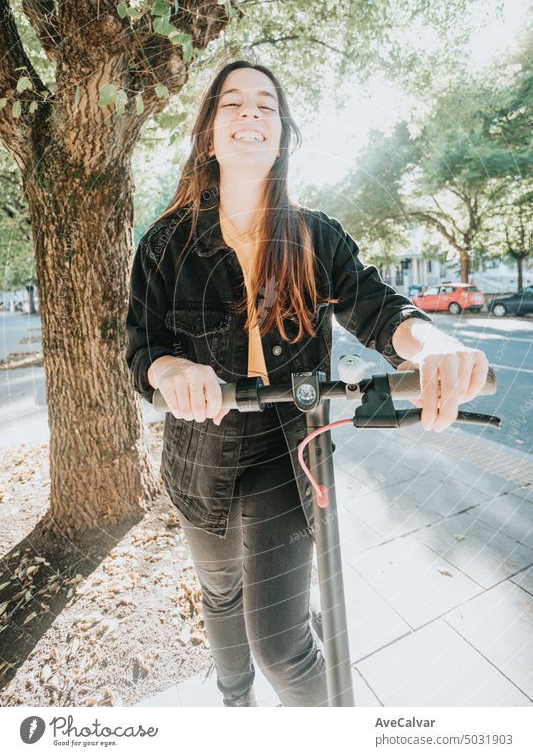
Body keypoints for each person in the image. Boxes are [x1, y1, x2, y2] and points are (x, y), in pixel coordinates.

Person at [125, 59, 489, 707]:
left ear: (284, 134)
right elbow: (141, 345)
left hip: (288, 451)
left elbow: (382, 310)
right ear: (208, 132)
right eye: (231, 102)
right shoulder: (163, 244)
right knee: (219, 591)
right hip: (197, 452)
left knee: (284, 646)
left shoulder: (315, 236)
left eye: (266, 104)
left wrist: (436, 347)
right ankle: (235, 699)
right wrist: (173, 369)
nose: (250, 113)